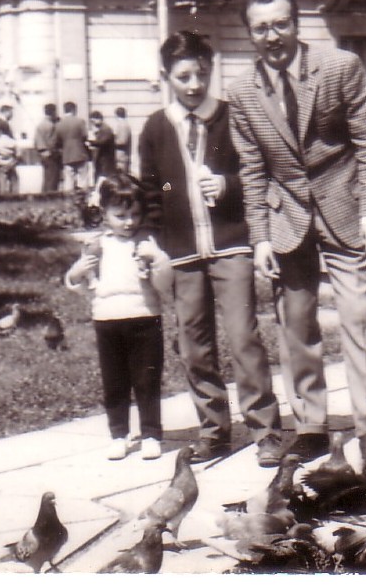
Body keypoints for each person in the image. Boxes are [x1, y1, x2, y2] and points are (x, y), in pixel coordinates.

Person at [226, 0, 366, 459]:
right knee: (295, 324)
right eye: (261, 28)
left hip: (345, 207)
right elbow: (252, 170)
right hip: (287, 218)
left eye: (281, 24)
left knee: (359, 317)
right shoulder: (241, 92)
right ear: (249, 34)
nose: (272, 36)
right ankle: (311, 426)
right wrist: (260, 238)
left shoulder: (340, 66)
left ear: (296, 24)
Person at [138, 30, 285, 467]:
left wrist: (227, 185)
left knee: (243, 337)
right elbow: (152, 188)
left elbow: (257, 174)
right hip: (182, 253)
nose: (194, 84)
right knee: (194, 345)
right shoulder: (156, 127)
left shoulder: (230, 118)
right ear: (166, 76)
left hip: (231, 245)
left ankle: (265, 431)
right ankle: (213, 430)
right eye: (183, 76)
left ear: (211, 71)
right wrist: (154, 235)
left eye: (202, 74)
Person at [64, 174, 174, 461]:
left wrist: (158, 260)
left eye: (135, 214)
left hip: (144, 317)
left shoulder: (147, 242)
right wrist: (76, 273)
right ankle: (119, 435)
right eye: (120, 216)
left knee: (147, 381)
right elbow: (86, 285)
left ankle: (151, 434)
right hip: (107, 321)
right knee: (114, 382)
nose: (128, 222)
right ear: (103, 213)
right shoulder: (98, 245)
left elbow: (164, 285)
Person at [55, 102, 92, 192]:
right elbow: (85, 136)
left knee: (68, 180)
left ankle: (69, 198)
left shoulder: (59, 124)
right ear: (74, 110)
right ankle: (82, 197)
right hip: (80, 153)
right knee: (83, 179)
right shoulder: (80, 121)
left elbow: (57, 140)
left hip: (67, 155)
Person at [33, 102, 62, 193]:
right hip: (51, 155)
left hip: (43, 154)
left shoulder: (40, 125)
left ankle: (44, 195)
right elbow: (54, 141)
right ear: (53, 112)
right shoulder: (52, 125)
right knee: (53, 179)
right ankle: (51, 195)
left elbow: (36, 141)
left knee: (47, 178)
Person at [0, 121, 20, 195]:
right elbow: (19, 154)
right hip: (11, 163)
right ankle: (15, 195)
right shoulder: (12, 141)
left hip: (0, 165)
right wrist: (15, 160)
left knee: (2, 181)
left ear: (0, 131)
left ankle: (3, 195)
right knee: (14, 180)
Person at [89, 110, 117, 183]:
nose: (93, 123)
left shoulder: (105, 129)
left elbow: (102, 142)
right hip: (102, 159)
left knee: (104, 177)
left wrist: (90, 142)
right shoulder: (102, 129)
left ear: (99, 119)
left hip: (105, 159)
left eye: (93, 121)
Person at [112, 106, 133, 175]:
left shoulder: (122, 125)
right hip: (121, 157)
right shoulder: (123, 125)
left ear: (116, 115)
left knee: (122, 176)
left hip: (121, 157)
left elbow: (122, 141)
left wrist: (110, 142)